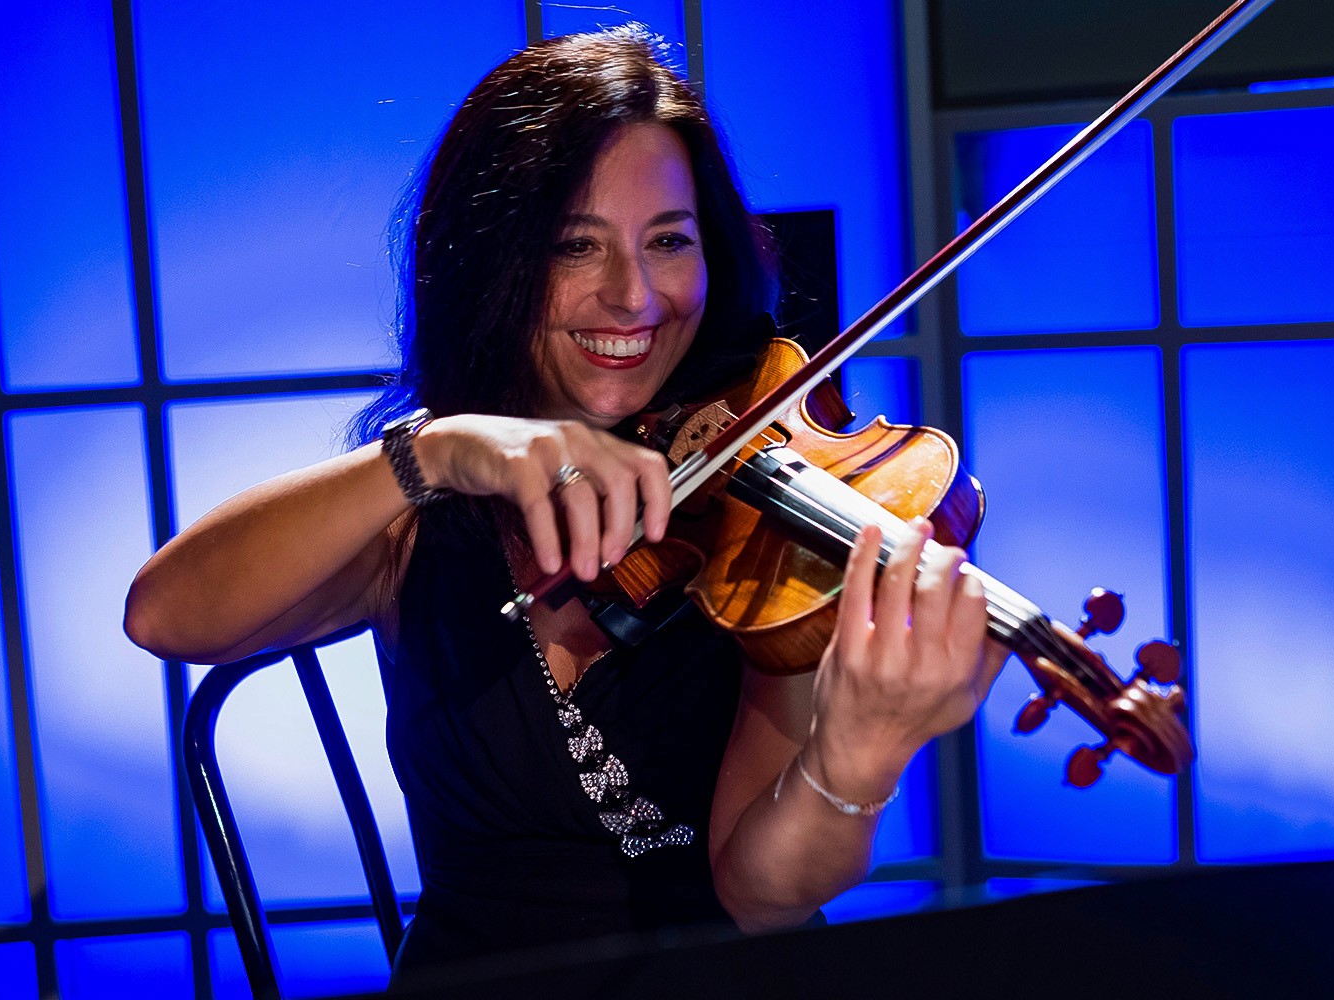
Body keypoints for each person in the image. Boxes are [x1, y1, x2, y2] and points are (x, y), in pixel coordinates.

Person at [124, 26, 1006, 981]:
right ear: (494, 265)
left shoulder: (764, 529)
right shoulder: (420, 514)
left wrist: (855, 758)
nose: (634, 298)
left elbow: (762, 896)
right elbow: (165, 616)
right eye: (576, 246)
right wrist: (433, 451)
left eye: (669, 241)